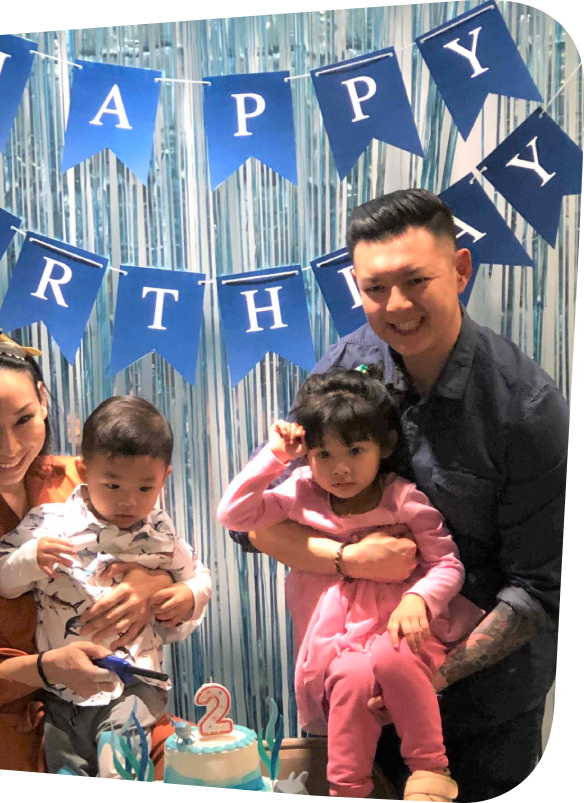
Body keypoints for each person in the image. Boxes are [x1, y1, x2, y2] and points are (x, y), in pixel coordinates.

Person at [229, 190, 566, 802]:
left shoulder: (527, 408)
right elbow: (256, 525)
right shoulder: (346, 368)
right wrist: (345, 561)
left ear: (460, 270)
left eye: (417, 280)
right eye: (375, 287)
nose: (396, 305)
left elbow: (539, 589)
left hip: (484, 710)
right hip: (354, 689)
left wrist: (422, 674)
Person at [0, 324, 211, 772]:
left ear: (43, 399)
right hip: (4, 742)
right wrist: (45, 668)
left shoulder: (89, 480)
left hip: (123, 718)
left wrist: (150, 585)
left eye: (24, 419)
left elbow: (175, 562)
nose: (11, 447)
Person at [219, 366, 484, 800]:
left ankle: (430, 769)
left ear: (384, 446)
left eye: (355, 451)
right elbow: (234, 516)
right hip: (336, 641)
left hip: (400, 629)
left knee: (391, 655)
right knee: (349, 677)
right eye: (324, 455)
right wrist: (275, 458)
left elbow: (448, 566)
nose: (340, 469)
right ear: (308, 456)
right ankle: (346, 788)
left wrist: (419, 599)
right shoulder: (301, 492)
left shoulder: (403, 500)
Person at [0, 395, 211, 778]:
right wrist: (30, 559)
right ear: (83, 469)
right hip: (63, 689)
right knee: (66, 765)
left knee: (117, 759)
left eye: (146, 488)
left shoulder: (160, 532)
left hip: (135, 681)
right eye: (112, 484)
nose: (129, 500)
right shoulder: (48, 522)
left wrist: (188, 595)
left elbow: (199, 577)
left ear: (164, 478)